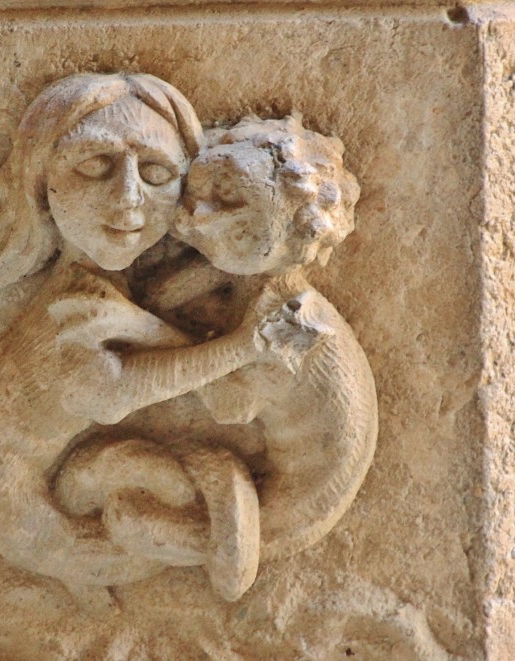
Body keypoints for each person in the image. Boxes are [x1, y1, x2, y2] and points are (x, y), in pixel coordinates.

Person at [0, 74, 312, 604]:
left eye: (157, 172)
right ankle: (228, 541)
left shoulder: (108, 292)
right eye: (94, 165)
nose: (127, 199)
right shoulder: (69, 317)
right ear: (40, 183)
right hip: (32, 521)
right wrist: (243, 347)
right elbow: (116, 392)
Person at [58, 115, 377, 564]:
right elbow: (183, 287)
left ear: (286, 247)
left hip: (280, 508)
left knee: (130, 515)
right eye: (221, 187)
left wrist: (143, 329)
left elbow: (228, 400)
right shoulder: (256, 278)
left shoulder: (294, 325)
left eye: (239, 226)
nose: (200, 214)